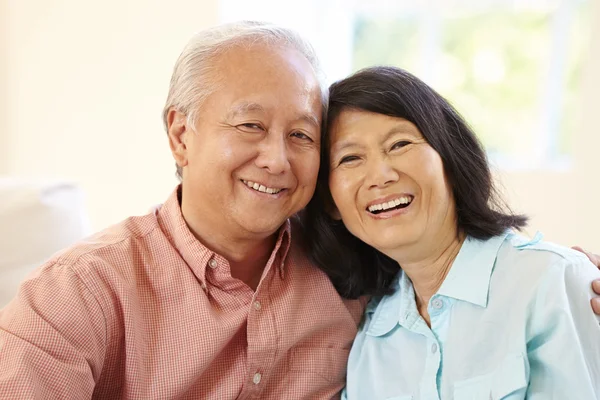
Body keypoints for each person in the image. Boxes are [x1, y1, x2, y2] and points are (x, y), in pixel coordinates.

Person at [0, 21, 598, 400]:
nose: (277, 160)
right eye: (251, 125)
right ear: (181, 135)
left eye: (303, 136)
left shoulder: (355, 271)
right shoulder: (77, 293)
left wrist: (571, 277)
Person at [304, 65, 600, 399]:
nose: (380, 175)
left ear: (450, 158)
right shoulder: (370, 335)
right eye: (350, 158)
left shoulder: (551, 282)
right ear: (330, 203)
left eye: (399, 144)